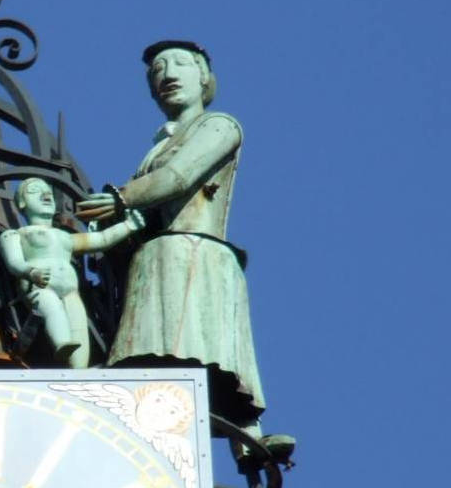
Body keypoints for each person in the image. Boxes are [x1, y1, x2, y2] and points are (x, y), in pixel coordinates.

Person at [77, 41, 292, 464]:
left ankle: (246, 436)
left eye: (180, 64)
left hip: (193, 254)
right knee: (158, 362)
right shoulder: (154, 149)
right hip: (157, 259)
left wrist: (122, 199)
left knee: (203, 351)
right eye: (158, 69)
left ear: (204, 78)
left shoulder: (220, 126)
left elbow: (178, 176)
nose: (167, 74)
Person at [0, 177, 144, 367]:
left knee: (79, 324)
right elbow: (14, 262)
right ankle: (62, 344)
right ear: (22, 202)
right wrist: (31, 272)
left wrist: (128, 225)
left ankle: (79, 371)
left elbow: (101, 239)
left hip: (70, 290)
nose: (45, 195)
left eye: (49, 192)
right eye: (35, 190)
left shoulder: (65, 237)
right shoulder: (15, 235)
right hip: (40, 286)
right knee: (52, 309)